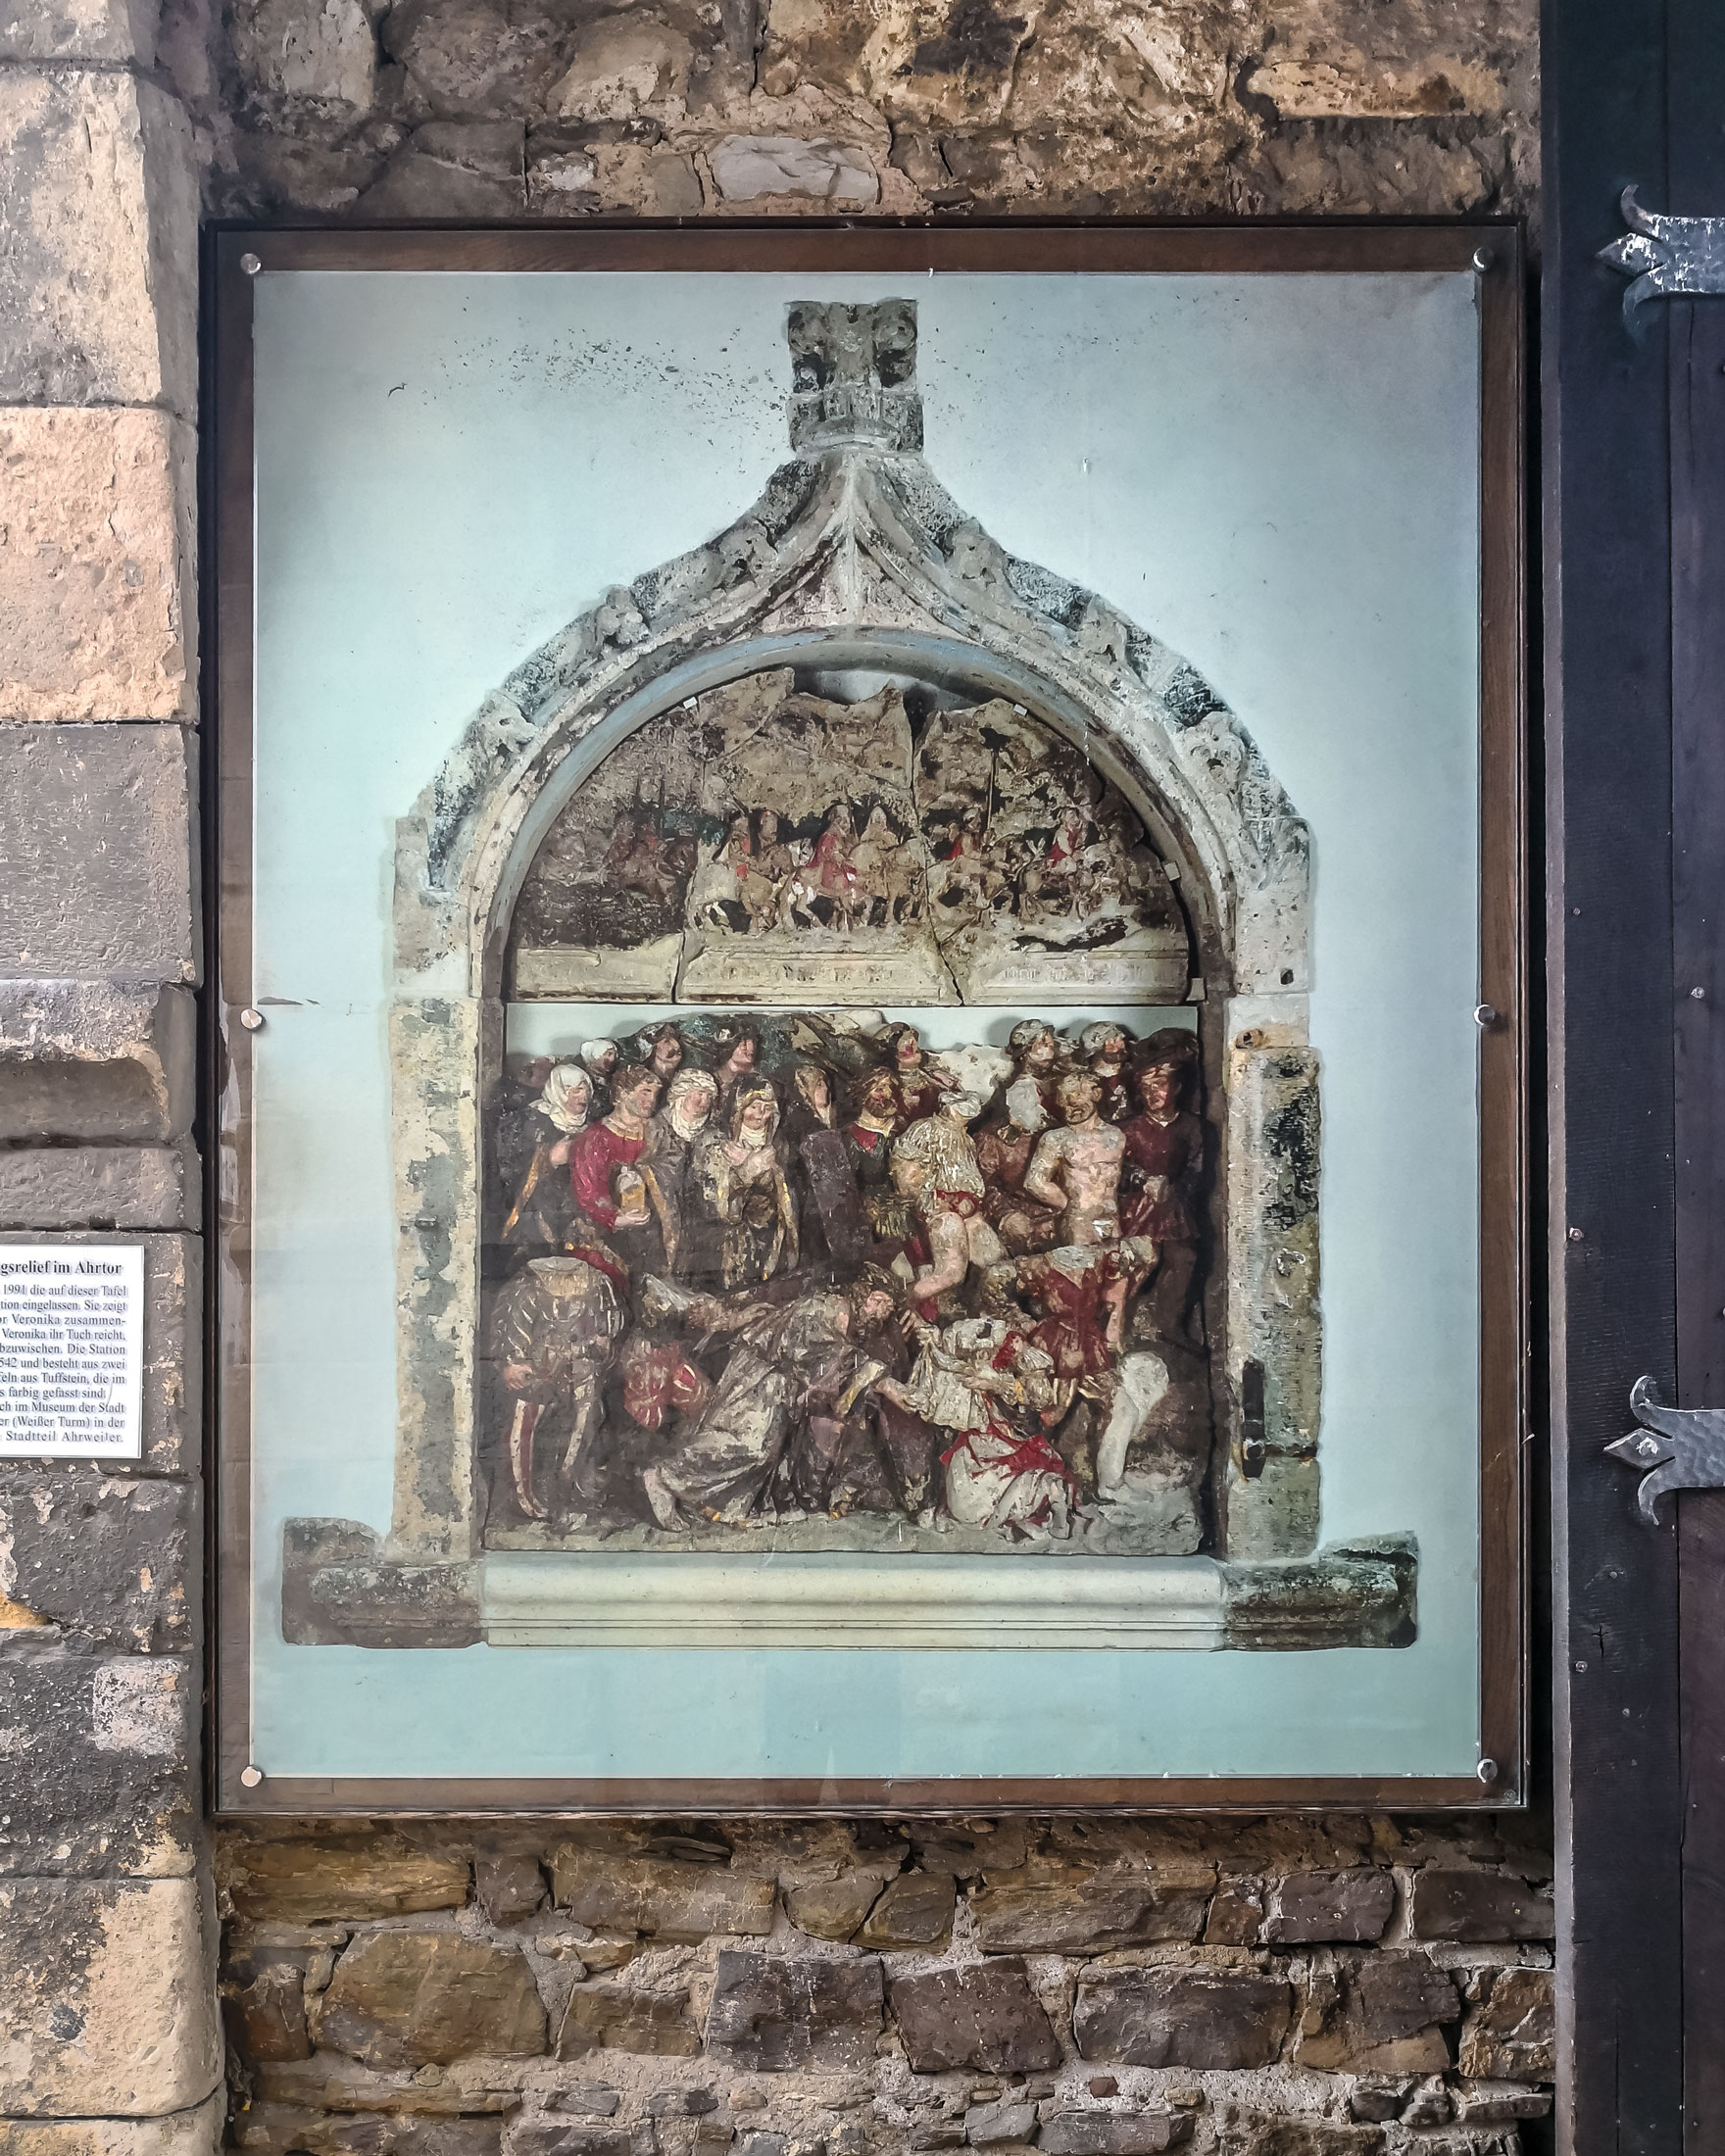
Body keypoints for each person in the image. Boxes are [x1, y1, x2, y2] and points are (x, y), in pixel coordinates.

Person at [642, 1270, 901, 1527]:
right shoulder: (827, 1306)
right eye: (883, 1304)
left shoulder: (846, 1316)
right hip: (761, 1374)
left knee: (763, 1452)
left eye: (888, 1308)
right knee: (747, 1445)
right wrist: (874, 1374)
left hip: (779, 1383)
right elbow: (817, 1351)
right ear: (869, 1297)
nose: (884, 1314)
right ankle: (664, 1476)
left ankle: (690, 1493)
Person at [878, 1315, 1077, 1537]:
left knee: (985, 1501)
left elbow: (1041, 1395)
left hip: (1008, 1441)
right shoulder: (956, 1339)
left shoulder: (1014, 1345)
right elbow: (940, 1363)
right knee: (962, 1506)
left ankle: (1050, 1492)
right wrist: (932, 1340)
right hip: (974, 1439)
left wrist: (999, 1383)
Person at [490, 1251, 628, 1522]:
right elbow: (510, 1332)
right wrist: (512, 1362)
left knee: (586, 1420)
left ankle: (568, 1486)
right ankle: (522, 1497)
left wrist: (600, 1347)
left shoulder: (598, 1285)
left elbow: (608, 1331)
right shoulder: (526, 1288)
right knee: (523, 1424)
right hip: (537, 1369)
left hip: (581, 1366)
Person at [891, 1091, 1007, 1314]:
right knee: (951, 1274)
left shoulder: (966, 1139)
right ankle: (900, 1304)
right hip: (942, 1210)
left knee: (997, 1264)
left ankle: (987, 1310)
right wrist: (931, 1201)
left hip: (970, 1212)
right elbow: (906, 1176)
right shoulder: (925, 1129)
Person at [1119, 1042, 1205, 1344]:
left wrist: (1174, 1186)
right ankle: (1118, 1322)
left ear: (1177, 1087)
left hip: (1173, 1208)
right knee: (1132, 1261)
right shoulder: (1129, 1129)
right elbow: (1115, 1168)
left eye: (1160, 1086)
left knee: (1183, 1259)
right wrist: (1141, 1179)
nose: (1152, 1094)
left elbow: (1197, 1169)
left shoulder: (1192, 1127)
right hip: (1136, 1208)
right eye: (1145, 1088)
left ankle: (1171, 1324)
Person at [690, 1076, 798, 1292]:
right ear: (739, 1108)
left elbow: (788, 1192)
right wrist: (745, 1172)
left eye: (767, 1108)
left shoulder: (778, 1144)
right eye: (754, 1107)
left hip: (769, 1234)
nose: (760, 1115)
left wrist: (770, 1174)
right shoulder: (714, 1142)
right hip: (724, 1241)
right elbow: (709, 1201)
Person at [1023, 1069, 1127, 1249]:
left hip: (1110, 1219)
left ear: (1096, 1094)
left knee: (1112, 1262)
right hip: (1078, 1223)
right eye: (1064, 1097)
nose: (1071, 1101)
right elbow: (1034, 1182)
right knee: (1081, 1263)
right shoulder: (1056, 1138)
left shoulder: (1116, 1136)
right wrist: (1069, 1207)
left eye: (1078, 1094)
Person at [501, 1060, 592, 1257]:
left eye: (586, 1090)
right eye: (576, 1091)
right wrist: (550, 1159)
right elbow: (509, 1170)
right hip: (536, 1212)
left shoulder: (590, 1125)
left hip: (573, 1211)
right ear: (559, 1091)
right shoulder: (532, 1121)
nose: (583, 1097)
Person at [639, 1066, 719, 1276]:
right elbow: (640, 1166)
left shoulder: (712, 1134)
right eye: (699, 1094)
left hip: (698, 1212)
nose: (704, 1102)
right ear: (682, 1094)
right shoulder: (656, 1128)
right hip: (660, 1210)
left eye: (709, 1096)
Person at [1076, 1020, 1135, 1123]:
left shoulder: (1133, 1075)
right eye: (1112, 1041)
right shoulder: (1084, 1083)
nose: (1121, 1044)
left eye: (1120, 1039)